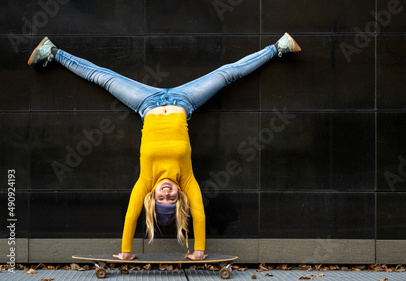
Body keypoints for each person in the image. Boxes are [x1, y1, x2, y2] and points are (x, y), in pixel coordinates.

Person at [27, 33, 301, 261]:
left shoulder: (145, 182)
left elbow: (132, 215)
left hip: (145, 103)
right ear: (180, 198)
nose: (167, 195)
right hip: (184, 101)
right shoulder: (187, 181)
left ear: (153, 198)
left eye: (162, 200)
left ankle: (53, 52)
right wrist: (199, 251)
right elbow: (200, 214)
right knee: (228, 73)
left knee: (101, 76)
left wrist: (125, 252)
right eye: (172, 200)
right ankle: (279, 47)